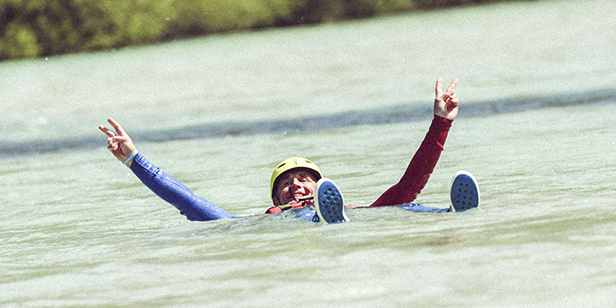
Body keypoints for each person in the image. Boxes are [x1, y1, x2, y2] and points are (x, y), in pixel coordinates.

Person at [101, 77, 474, 221]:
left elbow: (409, 181)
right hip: (306, 226)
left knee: (402, 202)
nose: (296, 185)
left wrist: (442, 120)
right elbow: (189, 202)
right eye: (287, 182)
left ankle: (450, 212)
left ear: (323, 187)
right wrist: (135, 160)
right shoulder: (270, 218)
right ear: (276, 196)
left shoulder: (357, 208)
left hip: (352, 219)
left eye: (305, 180)